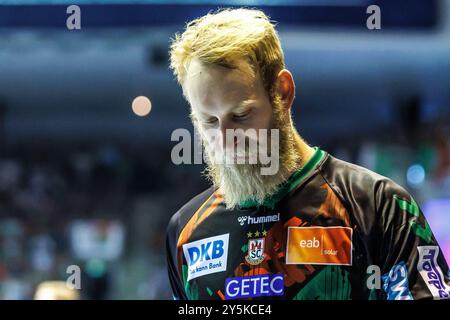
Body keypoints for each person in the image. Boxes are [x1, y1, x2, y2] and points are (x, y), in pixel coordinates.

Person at [166, 8, 450, 300]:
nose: (225, 140)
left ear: (283, 92)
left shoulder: (378, 206)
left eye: (241, 115)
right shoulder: (187, 233)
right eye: (208, 122)